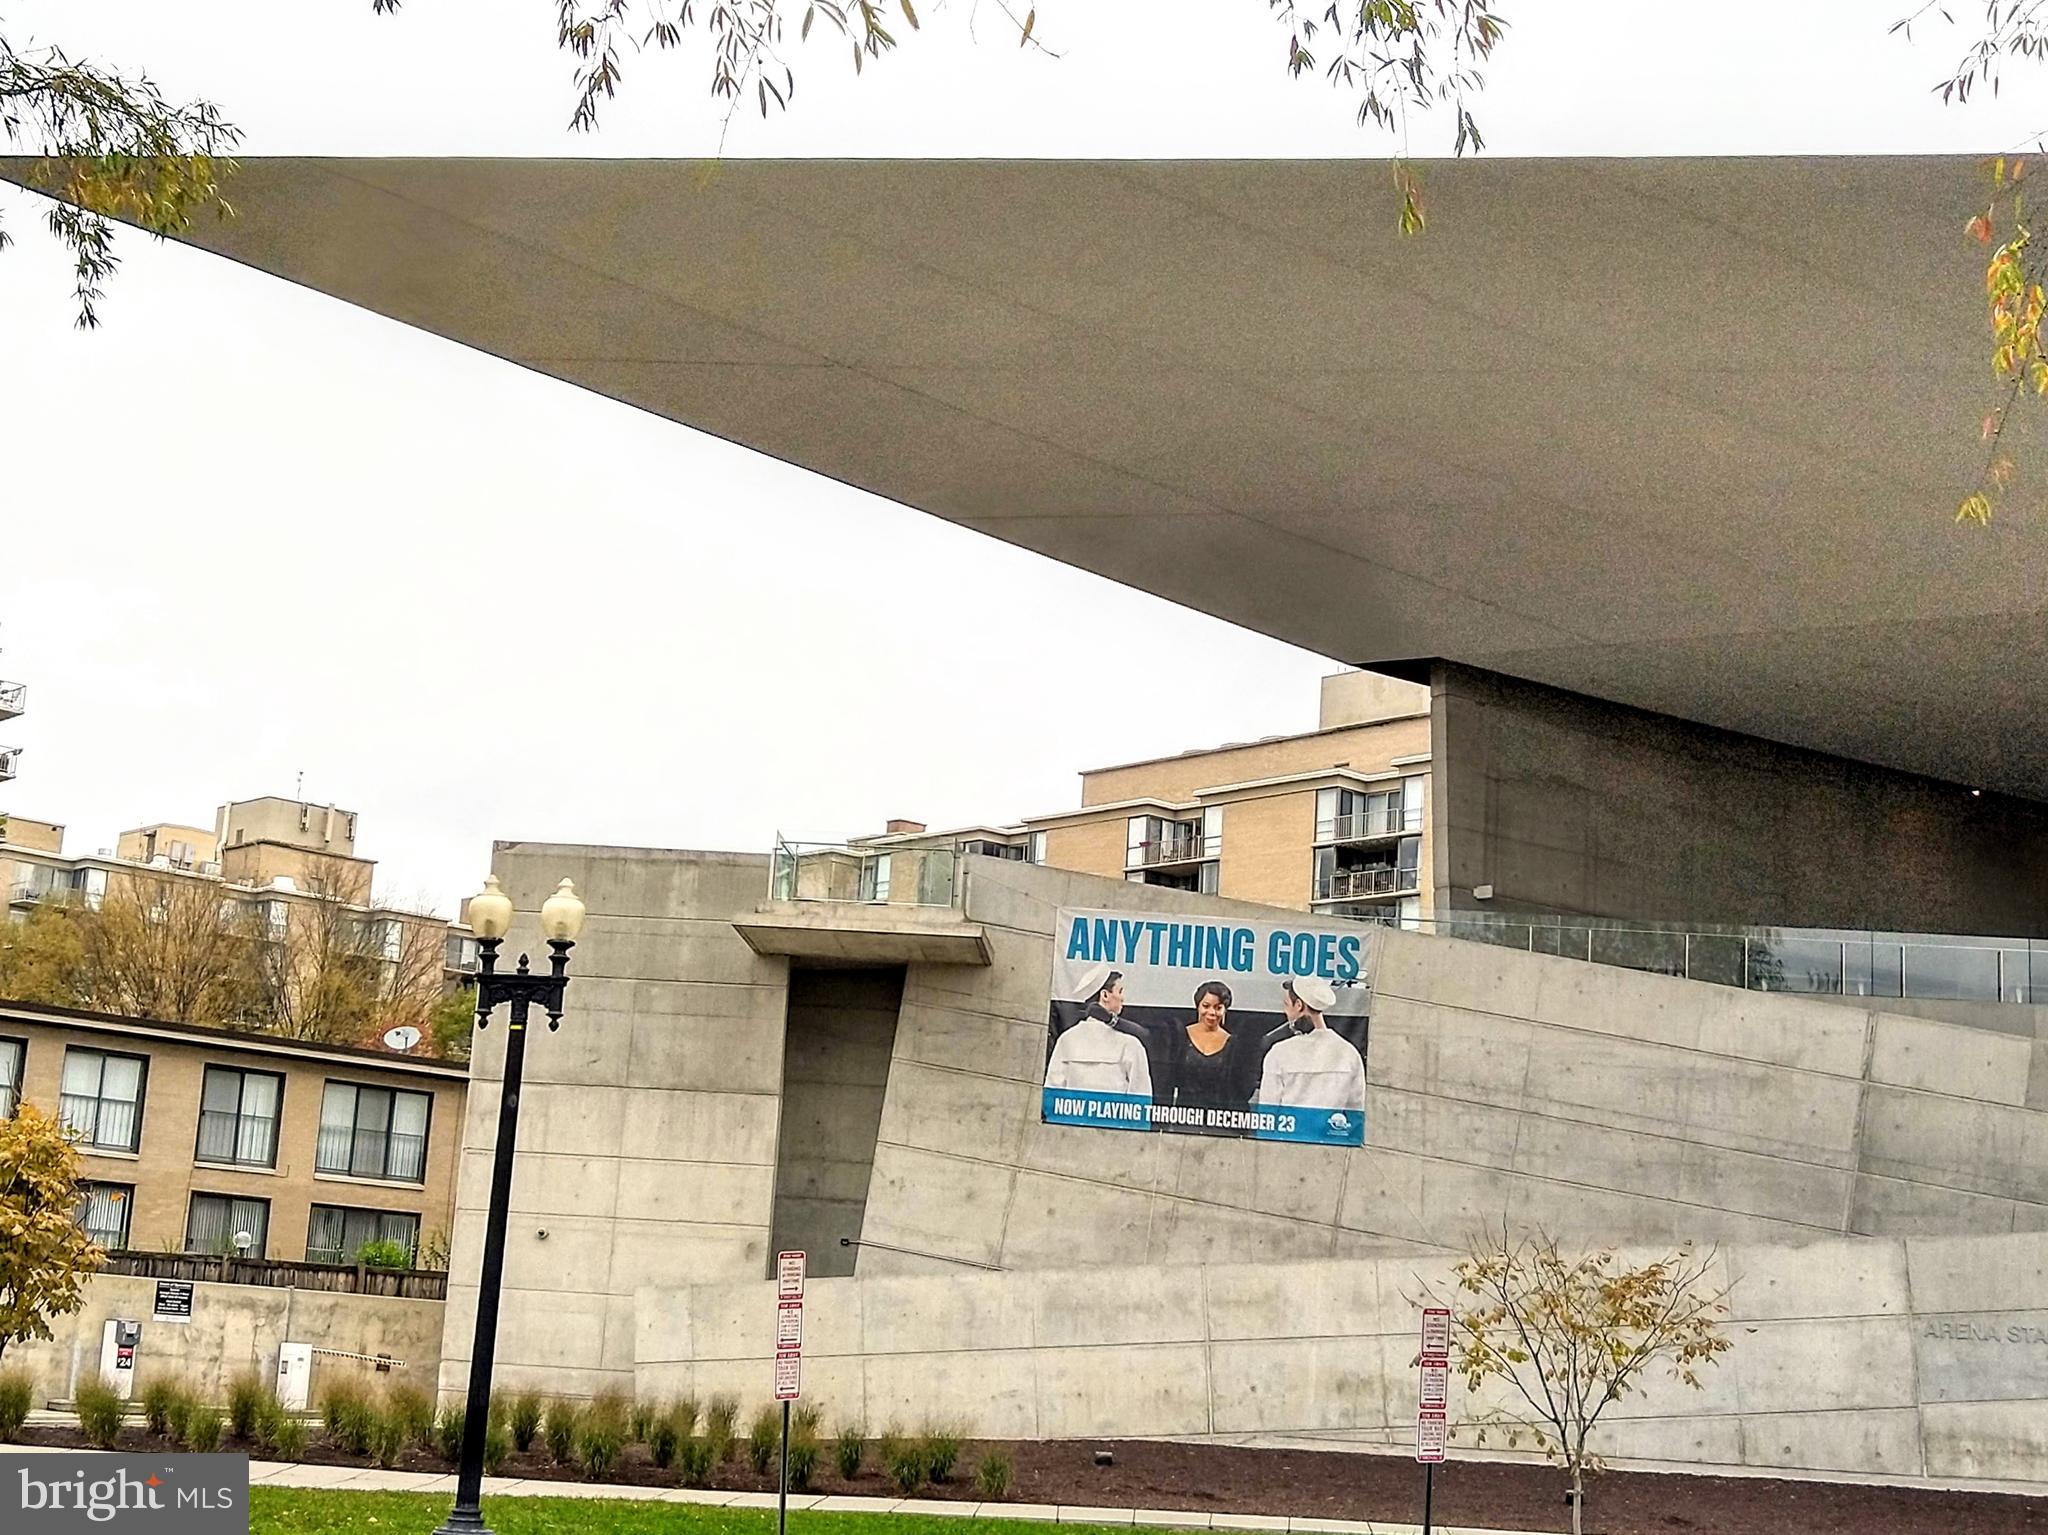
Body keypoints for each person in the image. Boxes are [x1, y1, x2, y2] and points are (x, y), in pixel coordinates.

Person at [1255, 974, 1366, 1112]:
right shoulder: (1349, 1053)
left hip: (1289, 1133)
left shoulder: (1279, 1053)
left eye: (1287, 1004)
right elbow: (1355, 1113)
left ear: (1299, 1005)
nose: (1286, 1012)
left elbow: (1268, 1115)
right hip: (1330, 1133)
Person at [1044, 962, 1154, 1097]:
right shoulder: (1130, 1044)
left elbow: (1052, 1095)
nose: (1122, 998)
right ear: (1105, 995)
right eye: (1119, 991)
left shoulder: (1067, 1040)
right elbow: (1140, 1100)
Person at [1168, 980, 1256, 1115]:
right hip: (1184, 1118)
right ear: (1198, 1006)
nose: (1212, 1012)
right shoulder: (1180, 1037)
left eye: (1218, 1007)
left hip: (1221, 1120)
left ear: (1225, 1010)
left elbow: (1241, 1089)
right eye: (1206, 1006)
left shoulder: (1233, 1044)